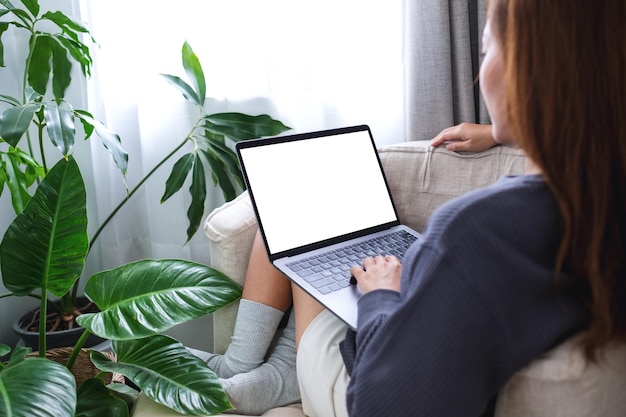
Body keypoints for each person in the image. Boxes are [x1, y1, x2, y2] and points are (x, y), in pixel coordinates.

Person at [199, 0, 626, 415]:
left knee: (292, 215)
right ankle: (246, 368)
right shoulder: (598, 198)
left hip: (357, 386)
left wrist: (382, 296)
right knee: (336, 248)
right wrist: (501, 132)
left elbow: (380, 406)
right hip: (447, 352)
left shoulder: (480, 231)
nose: (481, 73)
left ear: (527, 69)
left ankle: (270, 372)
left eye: (486, 48)